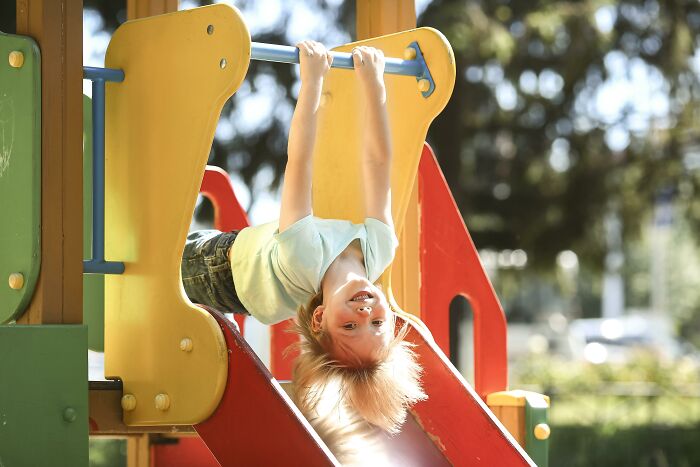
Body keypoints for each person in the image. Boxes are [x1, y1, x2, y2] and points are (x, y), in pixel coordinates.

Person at [181, 40, 425, 462]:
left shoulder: (303, 254)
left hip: (215, 272)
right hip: (254, 271)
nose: (365, 315)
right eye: (378, 323)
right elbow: (378, 163)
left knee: (156, 260)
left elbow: (300, 163)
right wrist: (374, 84)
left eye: (349, 328)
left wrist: (312, 81)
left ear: (319, 317)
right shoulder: (380, 248)